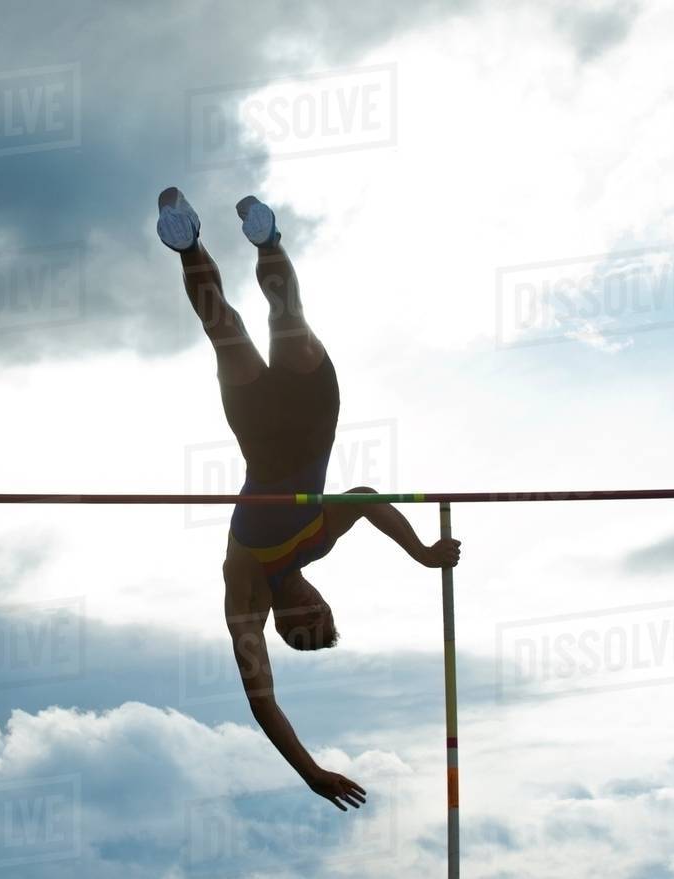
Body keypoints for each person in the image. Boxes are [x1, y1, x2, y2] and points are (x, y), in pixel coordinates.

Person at [157, 188, 462, 811]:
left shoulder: (246, 589)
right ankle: (264, 240)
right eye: (317, 615)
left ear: (292, 617)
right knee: (285, 324)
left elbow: (261, 698)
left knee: (228, 330)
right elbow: (370, 498)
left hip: (261, 427)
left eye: (303, 624)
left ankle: (188, 242)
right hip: (310, 412)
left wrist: (308, 770)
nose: (308, 608)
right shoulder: (314, 542)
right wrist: (423, 555)